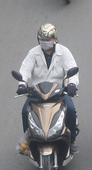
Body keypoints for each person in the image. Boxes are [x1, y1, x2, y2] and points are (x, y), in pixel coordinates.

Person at [17, 24, 79, 154]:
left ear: (54, 39)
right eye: (42, 40)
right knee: (25, 112)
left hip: (59, 92)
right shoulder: (33, 53)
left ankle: (71, 140)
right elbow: (25, 70)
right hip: (37, 93)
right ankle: (28, 141)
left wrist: (72, 84)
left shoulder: (64, 52)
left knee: (71, 111)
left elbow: (72, 68)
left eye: (48, 40)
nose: (45, 43)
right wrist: (22, 84)